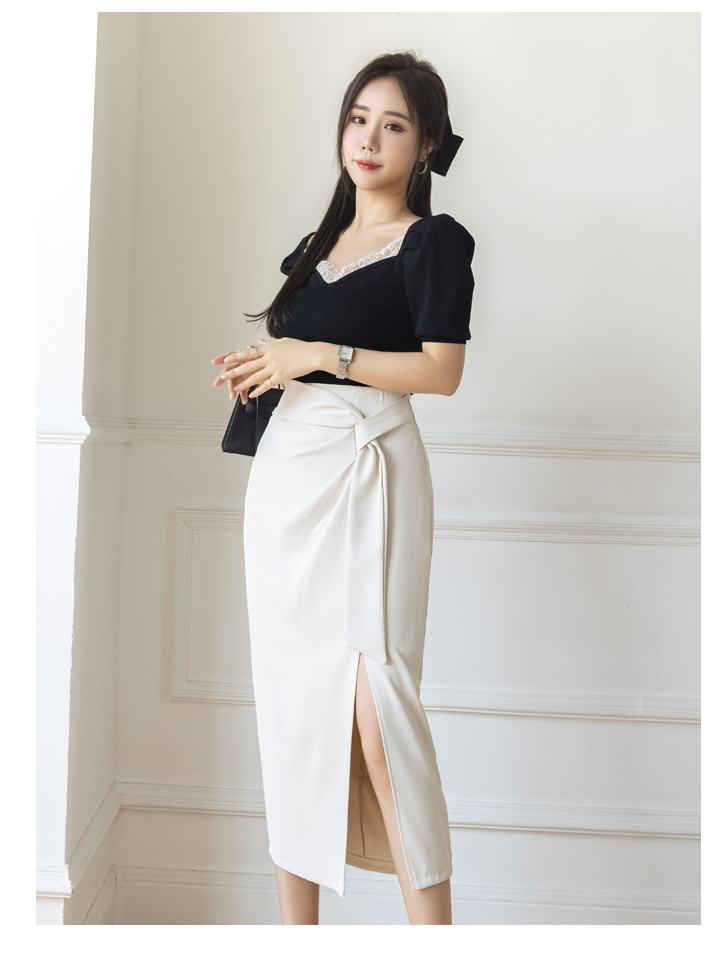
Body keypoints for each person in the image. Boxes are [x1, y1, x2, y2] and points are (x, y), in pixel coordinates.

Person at [210, 50, 475, 925]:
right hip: (290, 485)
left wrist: (320, 354)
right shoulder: (316, 248)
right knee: (292, 711)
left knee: (378, 711)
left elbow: (441, 372)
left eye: (393, 125)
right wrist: (263, 366)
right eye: (359, 118)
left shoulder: (433, 243)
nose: (369, 138)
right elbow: (296, 360)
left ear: (425, 145)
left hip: (370, 477)